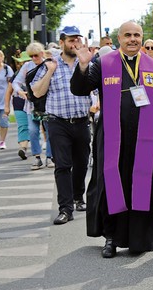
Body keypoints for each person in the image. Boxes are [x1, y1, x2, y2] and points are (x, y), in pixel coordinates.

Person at [71, 21, 153, 258]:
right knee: (111, 188)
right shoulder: (103, 63)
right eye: (127, 35)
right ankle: (111, 238)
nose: (133, 39)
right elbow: (79, 89)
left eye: (137, 35)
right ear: (119, 38)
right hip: (111, 139)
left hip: (145, 139)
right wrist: (83, 65)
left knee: (144, 187)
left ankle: (139, 238)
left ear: (142, 38)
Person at [30, 26, 92, 225]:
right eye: (71, 40)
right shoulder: (50, 64)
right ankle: (65, 208)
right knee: (63, 165)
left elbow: (96, 88)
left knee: (82, 163)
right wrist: (49, 72)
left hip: (82, 121)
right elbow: (37, 92)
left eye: (77, 40)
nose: (75, 43)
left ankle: (78, 197)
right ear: (63, 41)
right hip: (58, 122)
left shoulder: (86, 64)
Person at [12, 42, 54, 168]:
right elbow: (15, 82)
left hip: (47, 104)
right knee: (33, 130)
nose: (34, 58)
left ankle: (50, 157)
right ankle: (37, 157)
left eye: (36, 55)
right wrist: (20, 92)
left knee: (49, 131)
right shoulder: (27, 66)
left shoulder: (49, 65)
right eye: (31, 56)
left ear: (41, 53)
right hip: (32, 105)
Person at [4, 51, 32, 158]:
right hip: (19, 103)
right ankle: (23, 148)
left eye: (28, 61)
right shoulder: (16, 75)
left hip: (34, 104)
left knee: (34, 129)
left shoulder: (40, 72)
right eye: (24, 62)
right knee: (23, 126)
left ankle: (37, 151)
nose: (26, 64)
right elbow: (8, 91)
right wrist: (6, 106)